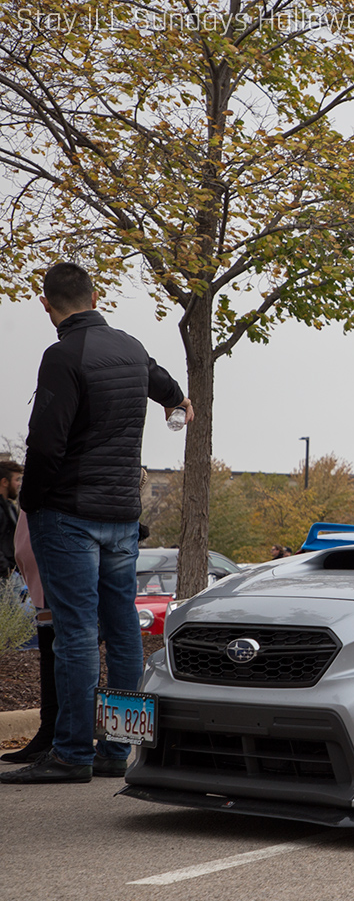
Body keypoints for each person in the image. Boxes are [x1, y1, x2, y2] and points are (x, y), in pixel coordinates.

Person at [1, 263, 192, 785]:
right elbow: (171, 390)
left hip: (68, 515)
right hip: (122, 516)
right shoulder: (131, 346)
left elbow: (44, 444)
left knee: (77, 634)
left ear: (46, 305)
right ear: (95, 295)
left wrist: (31, 506)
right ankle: (118, 749)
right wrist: (179, 406)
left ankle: (70, 754)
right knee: (125, 631)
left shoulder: (62, 355)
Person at [0, 509, 56, 764]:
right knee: (54, 652)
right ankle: (55, 735)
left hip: (56, 565)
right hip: (46, 573)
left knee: (62, 652)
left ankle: (60, 738)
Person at [0, 460, 20, 576]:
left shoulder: (9, 507)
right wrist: (6, 570)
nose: (19, 484)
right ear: (5, 482)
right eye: (16, 479)